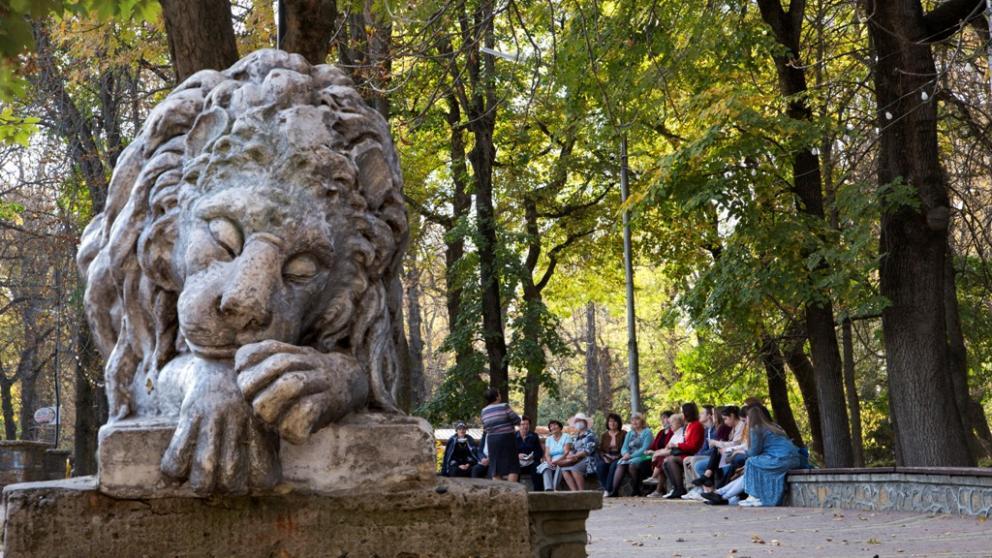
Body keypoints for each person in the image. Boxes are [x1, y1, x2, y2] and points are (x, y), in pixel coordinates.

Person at [654, 402, 704, 499]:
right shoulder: (689, 425)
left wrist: (677, 445)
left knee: (670, 460)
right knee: (666, 461)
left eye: (682, 412)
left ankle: (680, 488)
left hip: (693, 454)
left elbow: (692, 446)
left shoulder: (696, 425)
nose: (681, 414)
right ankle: (676, 487)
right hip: (687, 453)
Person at [480, 388, 522, 481]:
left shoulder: (483, 411)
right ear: (496, 397)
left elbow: (485, 427)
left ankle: (499, 493)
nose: (500, 395)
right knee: (512, 466)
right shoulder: (504, 406)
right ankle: (511, 491)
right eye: (499, 393)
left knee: (495, 467)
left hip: (492, 441)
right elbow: (517, 420)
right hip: (507, 439)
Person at [607, 412, 653, 497]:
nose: (634, 422)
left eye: (637, 419)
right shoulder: (630, 433)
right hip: (629, 456)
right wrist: (625, 454)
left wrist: (630, 456)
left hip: (644, 456)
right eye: (632, 420)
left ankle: (636, 489)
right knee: (620, 464)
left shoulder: (647, 432)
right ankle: (614, 491)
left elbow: (645, 448)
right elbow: (624, 447)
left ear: (642, 421)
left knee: (632, 464)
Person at [645, 413, 683, 496]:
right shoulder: (666, 433)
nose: (670, 423)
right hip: (665, 454)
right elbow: (660, 446)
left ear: (679, 423)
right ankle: (661, 488)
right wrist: (653, 452)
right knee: (659, 459)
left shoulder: (677, 433)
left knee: (663, 459)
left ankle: (655, 481)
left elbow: (674, 448)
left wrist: (656, 453)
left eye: (672, 422)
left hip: (676, 455)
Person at [560, 413, 598, 491]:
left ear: (585, 422)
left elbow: (588, 450)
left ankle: (581, 491)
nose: (577, 422)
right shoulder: (575, 436)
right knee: (564, 469)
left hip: (588, 459)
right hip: (576, 459)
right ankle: (574, 492)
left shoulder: (590, 434)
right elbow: (572, 449)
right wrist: (570, 455)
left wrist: (576, 456)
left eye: (579, 421)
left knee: (575, 469)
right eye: (576, 421)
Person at [538, 420, 573, 491]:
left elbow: (566, 452)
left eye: (555, 425)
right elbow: (547, 454)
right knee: (546, 467)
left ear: (560, 427)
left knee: (559, 466)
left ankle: (553, 488)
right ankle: (548, 489)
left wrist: (557, 461)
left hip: (564, 459)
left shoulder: (566, 436)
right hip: (552, 460)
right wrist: (549, 462)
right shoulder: (549, 439)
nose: (553, 427)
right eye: (551, 426)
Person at [596, 413, 627, 491]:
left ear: (618, 423)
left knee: (613, 467)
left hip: (620, 456)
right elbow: (600, 449)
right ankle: (608, 489)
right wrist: (605, 457)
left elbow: (626, 447)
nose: (612, 423)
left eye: (615, 421)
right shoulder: (604, 435)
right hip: (607, 456)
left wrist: (618, 456)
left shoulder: (624, 434)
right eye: (610, 421)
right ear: (607, 423)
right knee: (600, 466)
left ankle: (608, 490)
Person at [516, 416, 545, 491]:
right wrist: (517, 455)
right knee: (514, 470)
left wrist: (532, 456)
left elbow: (539, 452)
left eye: (527, 424)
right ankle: (516, 494)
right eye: (523, 424)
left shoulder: (534, 436)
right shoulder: (513, 436)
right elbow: (508, 452)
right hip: (517, 463)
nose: (525, 426)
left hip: (531, 462)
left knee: (537, 469)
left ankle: (538, 494)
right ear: (519, 426)